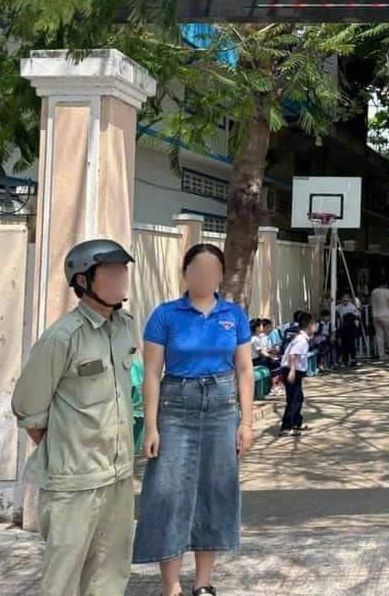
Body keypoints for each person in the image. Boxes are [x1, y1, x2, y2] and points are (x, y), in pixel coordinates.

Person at [11, 239, 138, 596]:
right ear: (83, 281)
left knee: (111, 572)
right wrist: (68, 447)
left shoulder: (126, 327)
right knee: (63, 577)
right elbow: (28, 409)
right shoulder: (62, 337)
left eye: (123, 271)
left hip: (118, 475)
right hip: (74, 482)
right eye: (111, 272)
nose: (121, 278)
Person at [132, 243, 255, 596]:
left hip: (222, 408)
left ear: (221, 275)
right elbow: (151, 373)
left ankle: (203, 582)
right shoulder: (165, 315)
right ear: (185, 273)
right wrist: (151, 425)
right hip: (175, 407)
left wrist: (246, 423)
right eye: (196, 269)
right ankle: (171, 584)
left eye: (212, 271)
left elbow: (245, 371)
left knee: (214, 491)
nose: (204, 276)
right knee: (167, 491)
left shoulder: (234, 315)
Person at [280, 314, 315, 437]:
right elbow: (292, 355)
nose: (315, 327)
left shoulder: (302, 338)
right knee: (293, 399)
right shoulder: (301, 339)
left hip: (295, 370)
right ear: (309, 325)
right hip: (291, 370)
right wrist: (292, 371)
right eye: (314, 324)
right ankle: (286, 427)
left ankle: (296, 422)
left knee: (298, 398)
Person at [370, 278, 389, 360]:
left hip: (375, 315)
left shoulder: (373, 292)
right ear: (385, 284)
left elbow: (371, 302)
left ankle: (381, 355)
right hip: (386, 315)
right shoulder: (388, 291)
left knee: (379, 336)